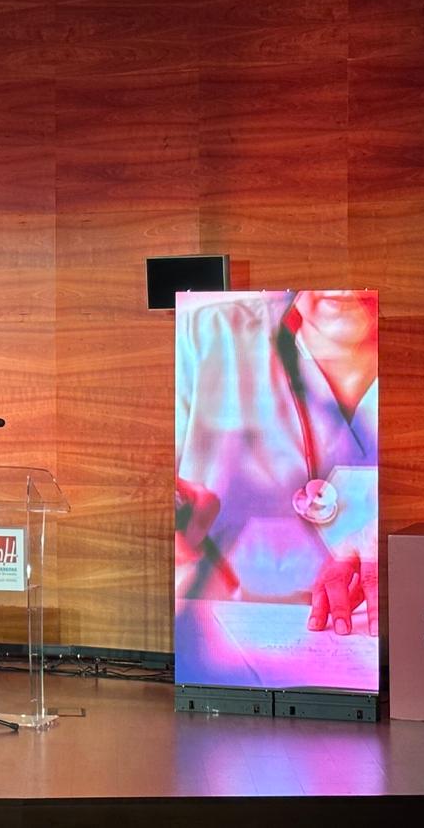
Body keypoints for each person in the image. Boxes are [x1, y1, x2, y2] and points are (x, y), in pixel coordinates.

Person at [174, 290, 379, 686]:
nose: (344, 291)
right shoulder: (207, 336)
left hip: (375, 655)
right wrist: (173, 514)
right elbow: (149, 490)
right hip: (219, 658)